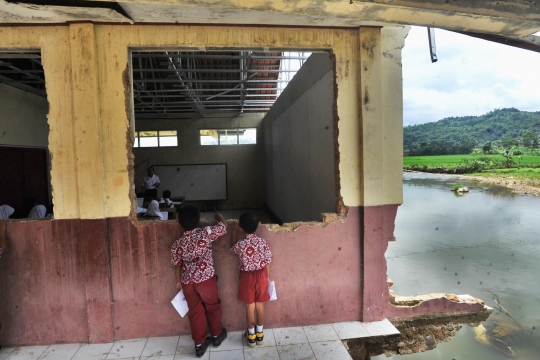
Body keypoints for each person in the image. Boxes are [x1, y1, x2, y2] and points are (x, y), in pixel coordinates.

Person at [171, 205, 228, 358]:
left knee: (195, 312)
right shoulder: (205, 233)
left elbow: (177, 264)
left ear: (179, 222)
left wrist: (178, 280)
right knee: (212, 306)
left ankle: (199, 345)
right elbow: (224, 227)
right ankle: (216, 335)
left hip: (187, 282)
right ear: (198, 220)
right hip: (206, 280)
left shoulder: (178, 244)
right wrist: (218, 216)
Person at [230, 213, 273, 347]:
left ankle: (251, 336)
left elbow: (232, 250)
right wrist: (267, 277)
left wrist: (233, 233)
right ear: (257, 226)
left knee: (250, 305)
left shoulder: (241, 244)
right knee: (260, 305)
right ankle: (260, 335)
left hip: (247, 276)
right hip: (261, 275)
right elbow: (268, 262)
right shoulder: (262, 242)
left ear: (241, 227)